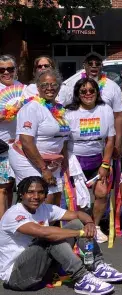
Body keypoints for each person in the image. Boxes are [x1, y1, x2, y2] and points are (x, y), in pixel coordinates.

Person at [0, 176, 122, 294]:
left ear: (45, 195)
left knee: (77, 223)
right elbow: (43, 232)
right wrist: (80, 233)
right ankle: (81, 277)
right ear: (21, 194)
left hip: (42, 269)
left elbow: (78, 215)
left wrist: (89, 223)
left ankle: (97, 265)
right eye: (30, 192)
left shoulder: (44, 208)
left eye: (40, 192)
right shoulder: (14, 214)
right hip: (17, 276)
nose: (36, 196)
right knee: (50, 237)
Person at [9, 69, 70, 206]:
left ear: (59, 86)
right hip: (27, 159)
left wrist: (64, 159)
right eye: (44, 85)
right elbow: (26, 141)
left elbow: (63, 138)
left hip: (52, 160)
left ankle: (45, 226)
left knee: (55, 200)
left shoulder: (60, 109)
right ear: (38, 87)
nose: (49, 88)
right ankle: (26, 225)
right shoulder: (31, 108)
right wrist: (44, 169)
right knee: (41, 197)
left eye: (53, 85)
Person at [65, 78, 115, 243]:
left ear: (97, 92)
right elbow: (63, 142)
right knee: (78, 198)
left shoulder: (105, 109)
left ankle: (96, 225)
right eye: (83, 91)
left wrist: (105, 164)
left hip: (97, 159)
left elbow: (110, 139)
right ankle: (82, 227)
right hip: (75, 161)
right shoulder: (69, 112)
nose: (88, 94)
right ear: (78, 94)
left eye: (91, 90)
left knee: (101, 193)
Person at [59, 52, 122, 160]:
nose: (94, 65)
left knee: (105, 172)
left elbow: (118, 116)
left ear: (101, 66)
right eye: (90, 63)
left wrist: (117, 143)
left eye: (97, 63)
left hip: (105, 141)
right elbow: (60, 109)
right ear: (84, 66)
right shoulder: (73, 85)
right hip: (78, 144)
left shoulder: (112, 86)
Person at [0, 55, 24, 218]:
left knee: (24, 187)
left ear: (15, 70)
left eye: (10, 68)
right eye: (2, 69)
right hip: (1, 146)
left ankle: (19, 221)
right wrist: (5, 114)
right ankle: (3, 226)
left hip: (22, 146)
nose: (6, 72)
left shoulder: (24, 89)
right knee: (4, 187)